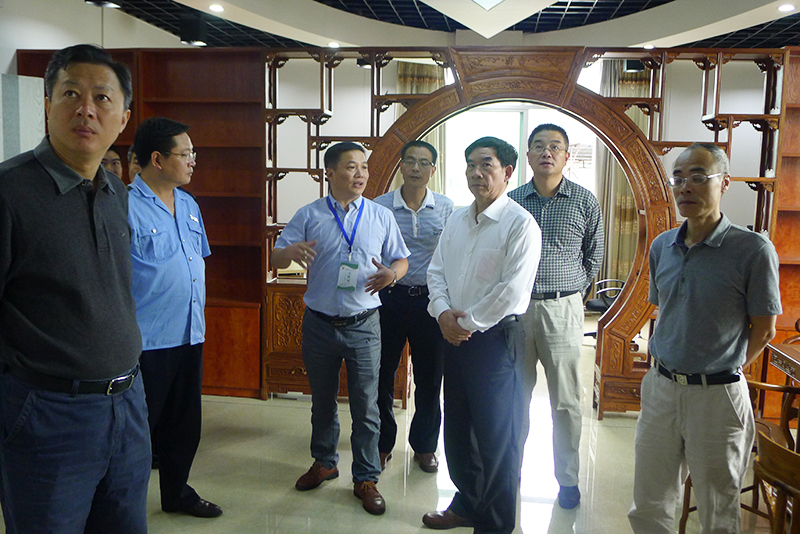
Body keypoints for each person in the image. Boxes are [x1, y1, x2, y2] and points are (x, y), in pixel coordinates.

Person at [0, 44, 150, 533]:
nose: (86, 109)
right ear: (47, 105)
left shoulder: (116, 191)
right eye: (71, 94)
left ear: (122, 119)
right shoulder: (9, 191)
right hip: (47, 413)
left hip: (127, 403)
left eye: (102, 98)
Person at [628, 143, 781, 533]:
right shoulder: (662, 245)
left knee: (717, 507)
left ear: (724, 183)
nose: (685, 187)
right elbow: (666, 311)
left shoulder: (753, 250)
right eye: (678, 178)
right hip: (661, 388)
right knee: (649, 502)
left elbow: (764, 329)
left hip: (717, 397)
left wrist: (721, 368)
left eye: (698, 177)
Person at [271, 141, 410, 516]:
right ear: (329, 173)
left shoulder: (380, 215)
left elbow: (401, 260)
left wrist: (392, 275)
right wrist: (289, 253)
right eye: (351, 167)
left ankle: (366, 477)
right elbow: (277, 256)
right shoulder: (310, 214)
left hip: (364, 325)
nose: (360, 173)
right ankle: (324, 463)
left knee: (366, 405)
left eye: (363, 166)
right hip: (318, 324)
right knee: (322, 401)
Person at [422, 137, 542, 533]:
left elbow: (512, 291)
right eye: (471, 165)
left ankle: (495, 524)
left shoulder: (520, 224)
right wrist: (442, 313)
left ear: (507, 172)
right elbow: (436, 271)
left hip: (495, 342)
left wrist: (464, 323)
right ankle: (468, 503)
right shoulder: (457, 219)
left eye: (486, 165)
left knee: (497, 438)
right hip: (453, 338)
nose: (476, 173)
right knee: (458, 430)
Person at [128, 117, 222, 518]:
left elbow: (196, 261)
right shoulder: (124, 207)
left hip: (189, 333)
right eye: (185, 154)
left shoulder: (188, 204)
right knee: (137, 432)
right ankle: (122, 506)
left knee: (184, 426)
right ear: (157, 159)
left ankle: (176, 494)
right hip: (145, 341)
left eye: (192, 154)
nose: (192, 161)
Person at [507, 123, 604, 509]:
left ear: (566, 156)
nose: (546, 152)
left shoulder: (584, 200)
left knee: (565, 400)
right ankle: (510, 471)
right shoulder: (512, 201)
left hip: (563, 309)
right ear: (528, 156)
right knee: (515, 396)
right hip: (517, 311)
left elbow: (594, 255)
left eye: (555, 147)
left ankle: (567, 479)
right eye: (538, 146)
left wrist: (573, 291)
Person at [373, 140, 453, 473]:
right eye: (410, 161)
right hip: (388, 299)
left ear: (433, 170)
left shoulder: (446, 207)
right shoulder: (380, 206)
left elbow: (452, 253)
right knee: (381, 374)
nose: (416, 168)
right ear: (401, 166)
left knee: (430, 377)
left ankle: (424, 445)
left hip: (429, 301)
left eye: (423, 162)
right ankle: (381, 444)